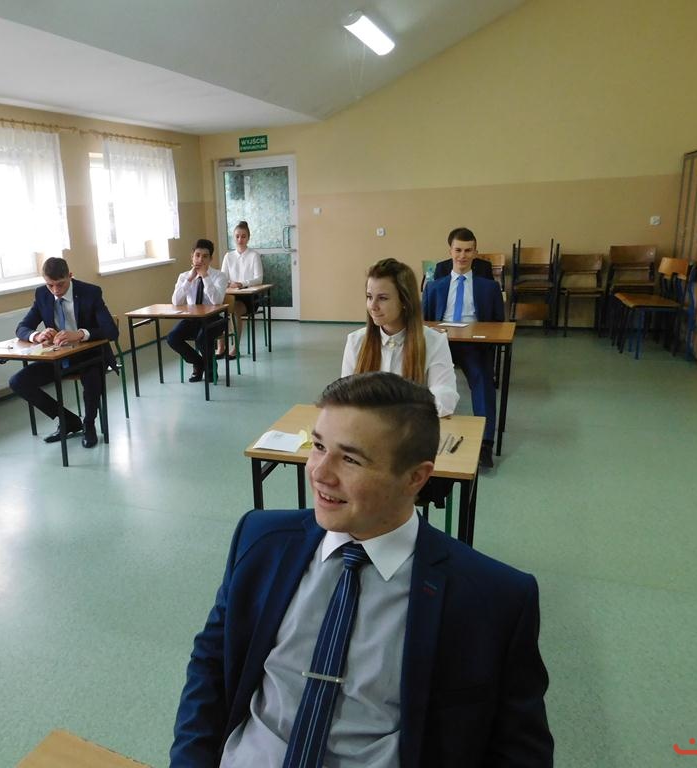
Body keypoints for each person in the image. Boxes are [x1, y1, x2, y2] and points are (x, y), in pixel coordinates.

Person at [172, 373, 552, 767]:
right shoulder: (259, 541)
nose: (320, 473)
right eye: (319, 446)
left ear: (416, 477)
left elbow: (520, 752)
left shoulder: (494, 599)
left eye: (350, 459)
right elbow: (210, 666)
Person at [10, 257, 118, 449]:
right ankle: (68, 420)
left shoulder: (90, 292)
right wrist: (37, 335)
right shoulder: (42, 294)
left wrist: (80, 334)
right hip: (59, 357)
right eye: (50, 285)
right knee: (18, 382)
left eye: (60, 284)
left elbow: (111, 330)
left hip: (91, 354)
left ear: (70, 276)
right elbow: (22, 327)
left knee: (92, 377)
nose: (55, 290)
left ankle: (89, 424)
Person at [422, 227, 505, 469]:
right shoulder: (434, 287)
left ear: (475, 253)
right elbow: (426, 323)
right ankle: (422, 436)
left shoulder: (488, 288)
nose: (462, 256)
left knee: (483, 379)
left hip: (473, 344)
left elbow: (498, 324)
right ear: (450, 251)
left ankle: (485, 444)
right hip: (441, 344)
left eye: (468, 251)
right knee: (420, 379)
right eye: (458, 250)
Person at [341, 258, 459, 417]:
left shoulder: (435, 342)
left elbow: (445, 397)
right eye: (369, 296)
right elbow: (346, 396)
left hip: (412, 428)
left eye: (382, 298)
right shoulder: (355, 341)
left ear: (405, 301)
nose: (373, 306)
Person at [167, 239, 230, 382]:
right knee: (172, 338)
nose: (200, 259)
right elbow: (176, 301)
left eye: (205, 256)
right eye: (197, 255)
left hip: (215, 319)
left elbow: (217, 301)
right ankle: (199, 363)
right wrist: (189, 279)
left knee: (203, 338)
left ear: (210, 259)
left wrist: (205, 277)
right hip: (192, 319)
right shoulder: (184, 277)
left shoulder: (219, 276)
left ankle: (210, 368)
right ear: (192, 256)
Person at [217, 221, 263, 359]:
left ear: (248, 238)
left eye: (243, 236)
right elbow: (223, 277)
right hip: (231, 294)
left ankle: (235, 348)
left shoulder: (254, 255)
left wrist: (242, 284)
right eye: (237, 236)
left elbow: (259, 278)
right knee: (218, 309)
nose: (240, 239)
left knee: (235, 310)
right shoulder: (228, 256)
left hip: (249, 297)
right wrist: (228, 283)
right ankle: (221, 346)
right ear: (234, 237)